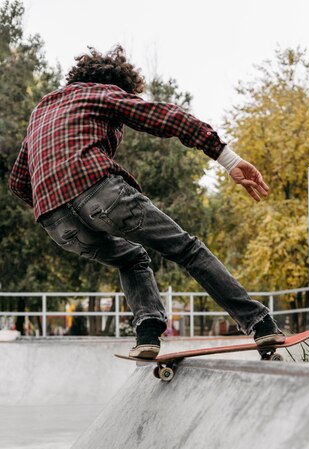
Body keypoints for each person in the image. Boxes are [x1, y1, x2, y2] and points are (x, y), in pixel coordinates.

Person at [9, 45, 285, 358]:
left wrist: (57, 199)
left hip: (56, 222)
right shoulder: (102, 93)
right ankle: (260, 323)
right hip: (101, 192)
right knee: (187, 249)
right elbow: (162, 117)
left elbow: (18, 181)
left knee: (130, 258)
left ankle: (148, 333)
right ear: (116, 86)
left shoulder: (41, 111)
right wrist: (227, 157)